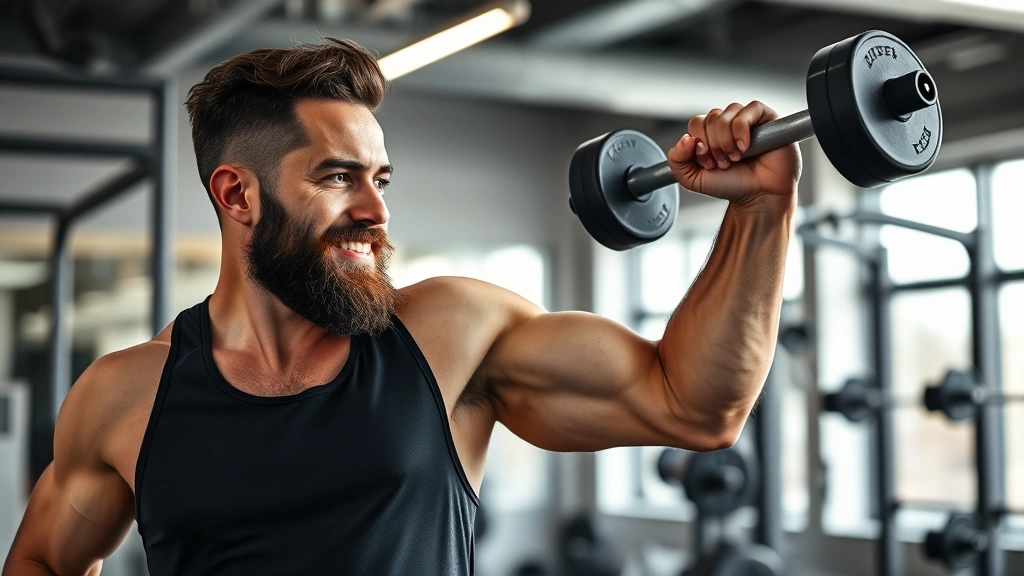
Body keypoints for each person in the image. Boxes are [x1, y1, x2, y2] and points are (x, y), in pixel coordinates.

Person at [3, 38, 799, 575]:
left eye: (379, 180)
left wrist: (760, 211)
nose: (376, 212)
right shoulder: (124, 396)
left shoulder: (448, 333)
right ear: (237, 193)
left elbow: (694, 404)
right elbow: (41, 560)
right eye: (337, 176)